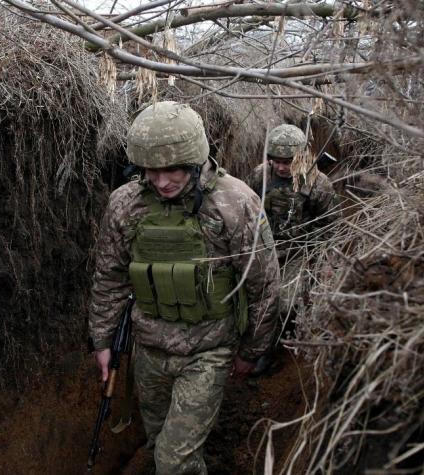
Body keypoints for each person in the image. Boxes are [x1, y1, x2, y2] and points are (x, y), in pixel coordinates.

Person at [88, 101, 280, 474]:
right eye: (151, 170)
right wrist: (102, 341)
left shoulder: (234, 202)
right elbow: (110, 276)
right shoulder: (125, 205)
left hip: (208, 351)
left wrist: (252, 349)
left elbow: (263, 284)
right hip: (149, 350)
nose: (161, 182)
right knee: (160, 441)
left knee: (173, 461)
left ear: (194, 159)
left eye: (172, 169)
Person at [246, 124, 336, 375]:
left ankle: (272, 352)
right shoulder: (258, 176)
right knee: (253, 299)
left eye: (288, 161)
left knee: (284, 304)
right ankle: (251, 342)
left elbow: (330, 227)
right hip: (264, 248)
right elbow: (245, 209)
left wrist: (325, 261)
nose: (282, 167)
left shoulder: (318, 184)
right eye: (276, 161)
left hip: (298, 252)